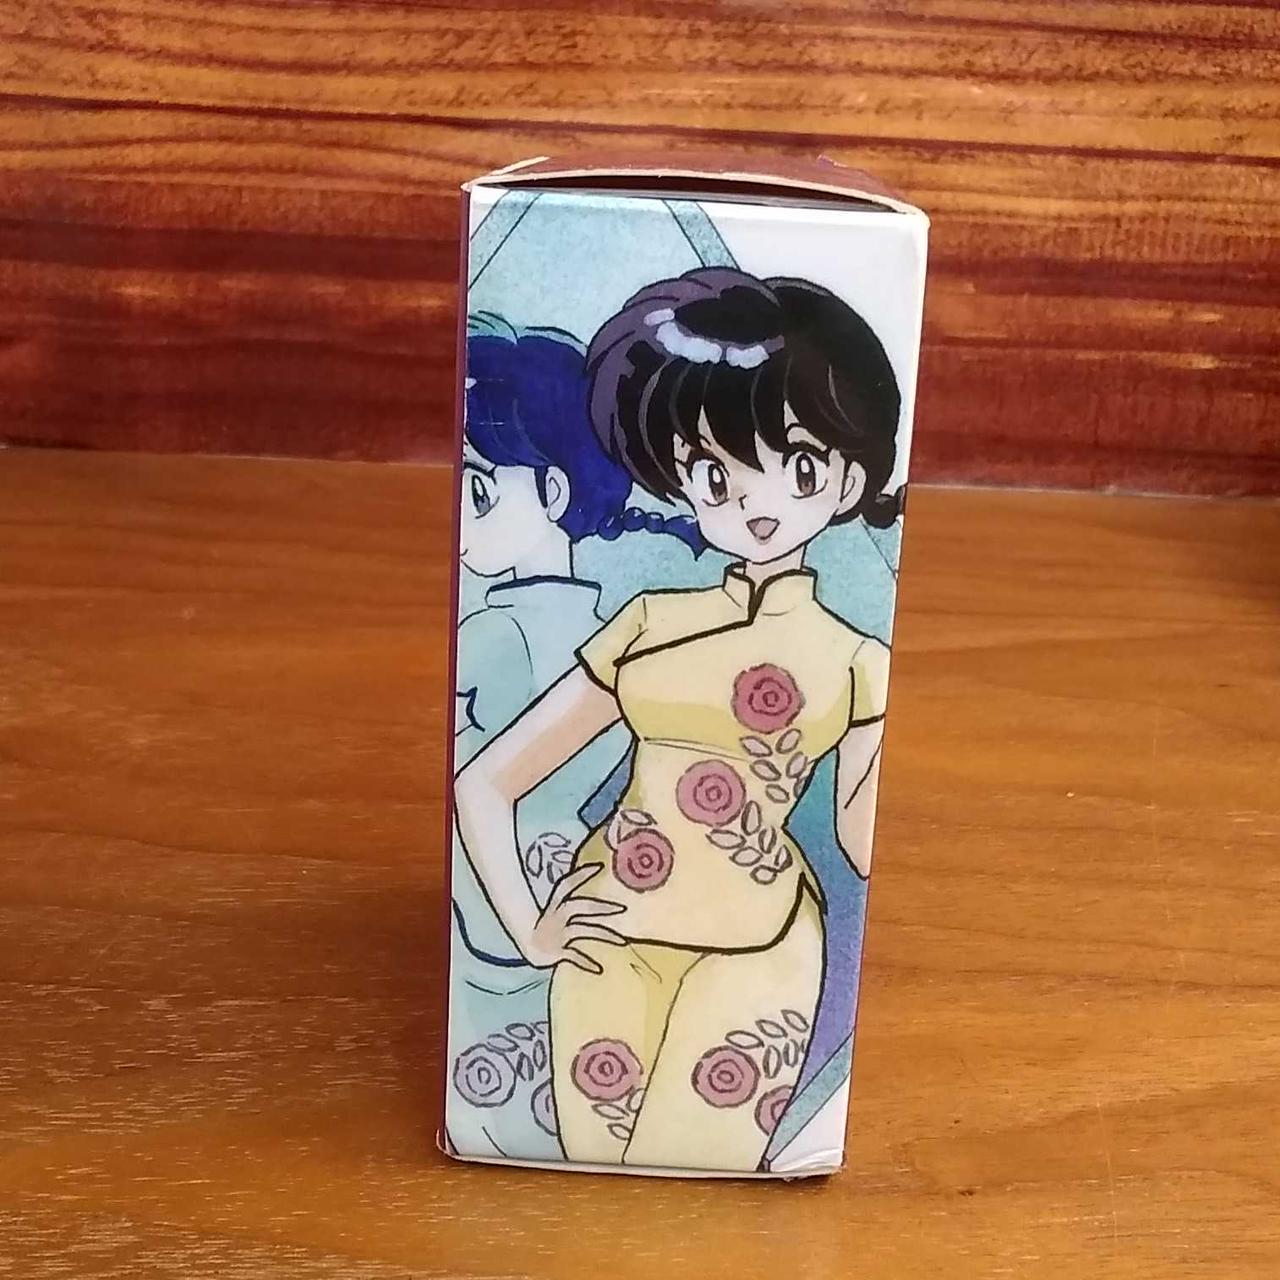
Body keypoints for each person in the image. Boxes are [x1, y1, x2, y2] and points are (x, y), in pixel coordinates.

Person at [454, 270, 902, 1171]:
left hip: (759, 949)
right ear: (679, 479)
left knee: (704, 1163)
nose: (754, 502)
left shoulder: (861, 660)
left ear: (848, 476)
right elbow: (486, 782)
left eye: (798, 465)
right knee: (594, 1168)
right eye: (714, 474)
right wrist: (532, 931)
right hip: (607, 937)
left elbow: (863, 839)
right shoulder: (650, 623)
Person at [447, 313, 701, 1160]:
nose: (461, 520)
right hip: (566, 886)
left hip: (495, 905)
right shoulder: (605, 635)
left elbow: (474, 786)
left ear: (554, 495)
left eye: (480, 492)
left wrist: (525, 929)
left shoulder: (496, 633)